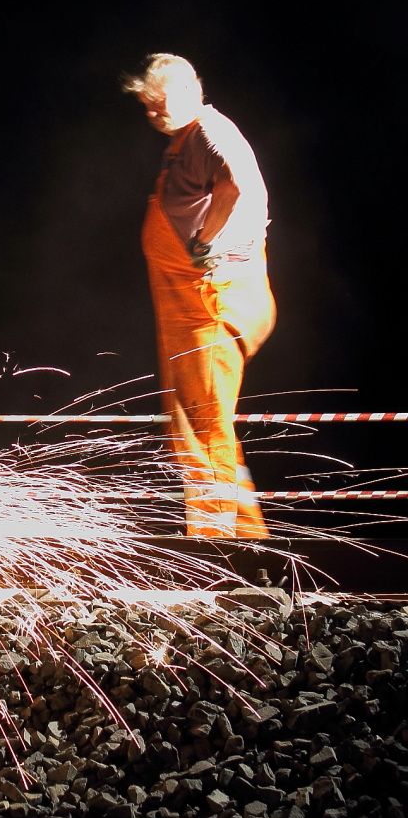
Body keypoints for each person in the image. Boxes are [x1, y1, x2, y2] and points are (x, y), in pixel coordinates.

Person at [124, 55, 276, 540]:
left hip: (210, 306)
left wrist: (208, 242)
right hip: (188, 307)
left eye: (162, 102)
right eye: (147, 106)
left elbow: (238, 183)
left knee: (206, 429)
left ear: (193, 90)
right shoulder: (187, 139)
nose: (154, 113)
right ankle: (240, 533)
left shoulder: (210, 133)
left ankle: (221, 541)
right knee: (194, 427)